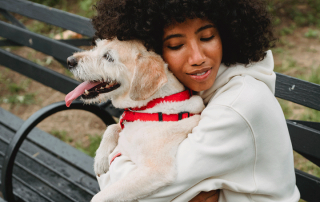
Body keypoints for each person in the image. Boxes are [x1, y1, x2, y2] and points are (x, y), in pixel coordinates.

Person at [92, 0, 300, 201]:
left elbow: (155, 184)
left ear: (226, 35)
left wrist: (112, 163)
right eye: (175, 45)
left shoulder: (238, 104)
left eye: (207, 37)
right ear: (155, 52)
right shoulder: (197, 90)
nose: (197, 57)